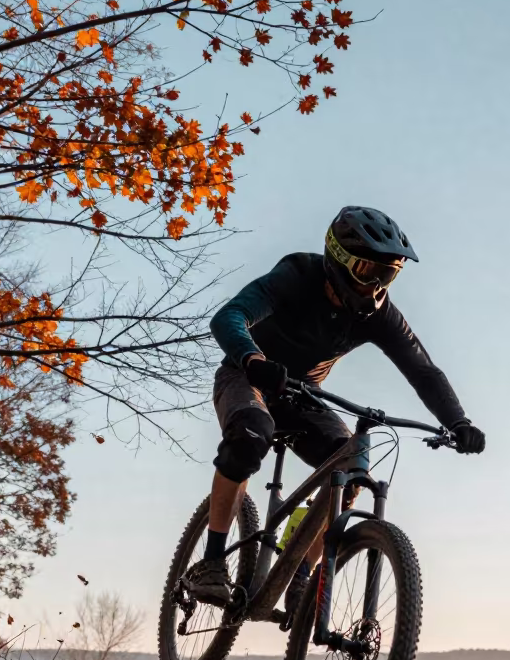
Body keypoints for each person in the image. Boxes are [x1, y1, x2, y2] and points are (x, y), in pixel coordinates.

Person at [186, 205, 486, 611]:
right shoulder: (296, 276)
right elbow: (229, 317)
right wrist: (253, 360)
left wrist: (457, 421)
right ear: (338, 261)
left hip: (302, 395)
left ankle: (301, 574)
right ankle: (212, 561)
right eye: (369, 272)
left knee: (352, 467)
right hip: (247, 376)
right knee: (251, 433)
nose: (376, 286)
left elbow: (424, 371)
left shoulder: (380, 315)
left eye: (388, 275)